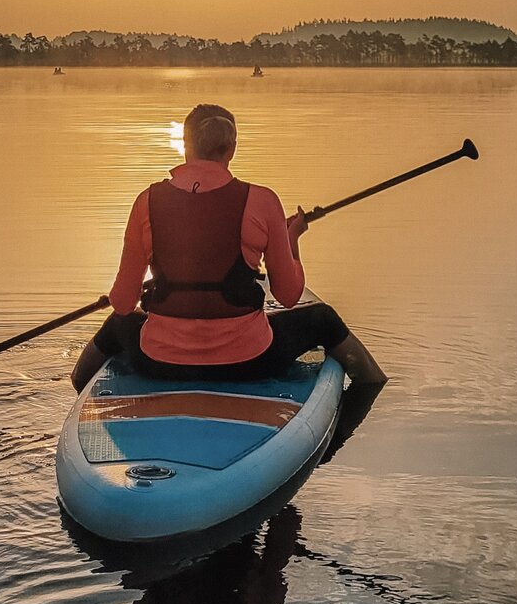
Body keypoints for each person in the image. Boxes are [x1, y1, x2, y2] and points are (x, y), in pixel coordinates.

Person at [70, 102, 387, 393]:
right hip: (247, 362)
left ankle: (78, 385)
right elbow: (289, 295)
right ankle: (371, 391)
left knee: (118, 323)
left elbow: (124, 303)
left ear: (185, 145)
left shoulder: (146, 202)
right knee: (323, 320)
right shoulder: (263, 201)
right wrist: (291, 241)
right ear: (232, 149)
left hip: (161, 362)